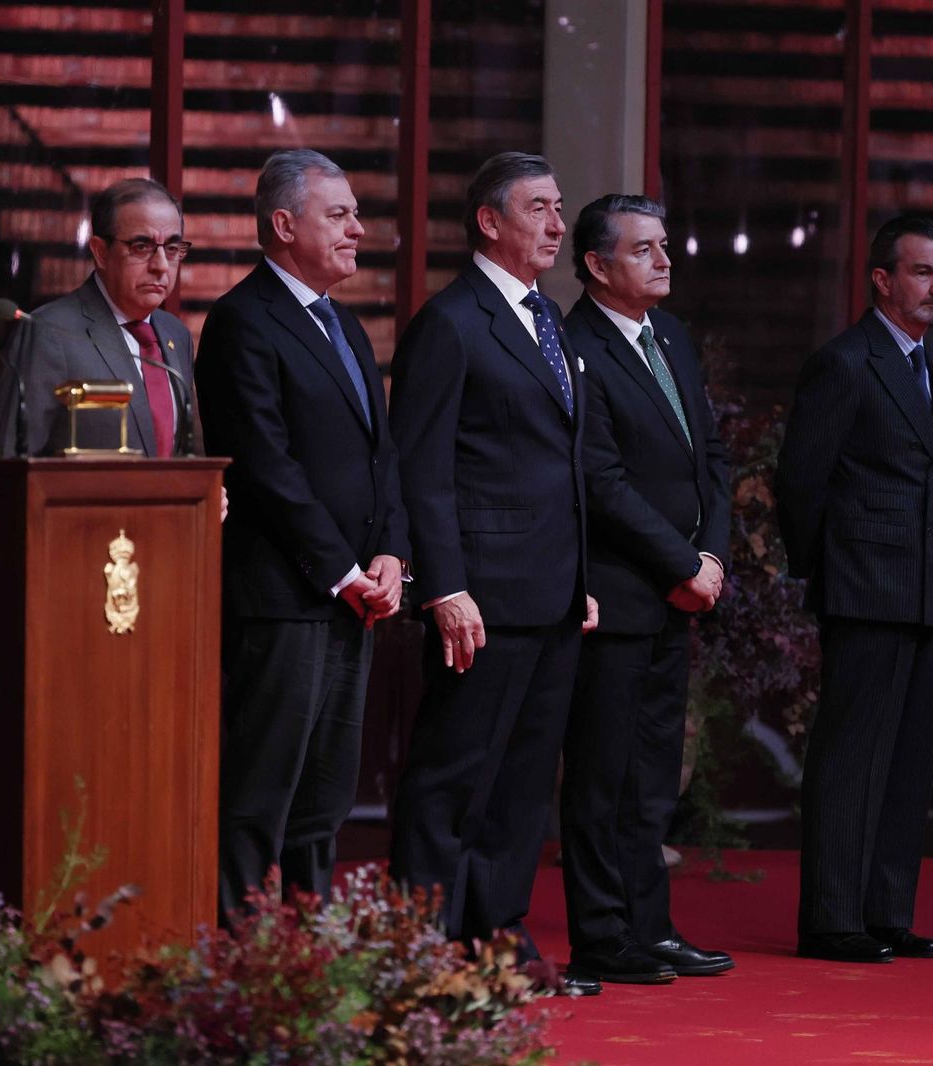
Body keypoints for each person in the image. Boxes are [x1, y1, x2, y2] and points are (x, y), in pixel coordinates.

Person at [388, 152, 598, 979]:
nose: (556, 224)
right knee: (451, 777)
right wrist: (442, 586)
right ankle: (423, 948)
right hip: (479, 592)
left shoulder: (549, 319)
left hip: (551, 592)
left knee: (519, 785)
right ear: (488, 221)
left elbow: (563, 463)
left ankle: (496, 934)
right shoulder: (451, 322)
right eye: (539, 208)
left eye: (559, 207)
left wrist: (579, 578)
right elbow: (421, 467)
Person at [194, 149, 410, 921]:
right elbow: (265, 468)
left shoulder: (344, 323)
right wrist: (344, 570)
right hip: (284, 598)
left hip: (352, 599)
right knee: (260, 794)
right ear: (283, 226)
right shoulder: (241, 322)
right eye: (340, 214)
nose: (359, 229)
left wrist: (390, 554)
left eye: (355, 213)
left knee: (325, 796)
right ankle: (241, 959)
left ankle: (306, 941)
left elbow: (383, 455)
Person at [557, 194, 734, 990]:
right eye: (644, 250)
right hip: (622, 591)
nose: (664, 261)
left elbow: (712, 459)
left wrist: (714, 557)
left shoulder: (670, 335)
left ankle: (651, 928)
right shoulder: (574, 342)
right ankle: (602, 936)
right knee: (604, 776)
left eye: (665, 246)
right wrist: (678, 564)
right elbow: (600, 479)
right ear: (597, 266)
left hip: (679, 590)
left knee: (655, 776)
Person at [776, 215, 933, 964]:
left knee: (909, 761)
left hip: (925, 591)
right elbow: (800, 482)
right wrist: (828, 574)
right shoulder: (845, 362)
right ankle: (831, 920)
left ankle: (885, 912)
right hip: (864, 589)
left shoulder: (932, 363)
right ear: (883, 279)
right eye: (923, 272)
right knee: (851, 759)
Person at [0, 178, 200, 458]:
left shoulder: (175, 335)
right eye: (141, 246)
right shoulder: (49, 332)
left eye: (172, 249)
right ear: (100, 252)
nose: (160, 266)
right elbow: (6, 461)